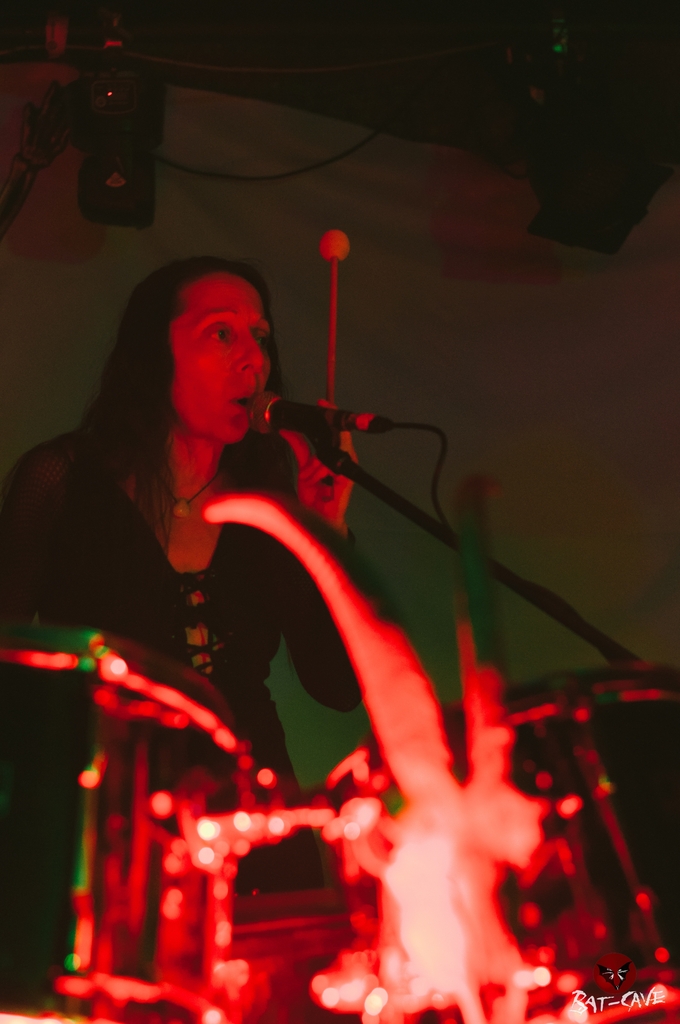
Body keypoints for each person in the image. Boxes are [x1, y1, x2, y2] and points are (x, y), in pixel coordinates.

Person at [0, 256, 362, 891]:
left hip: (259, 833)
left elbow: (337, 686)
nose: (253, 359)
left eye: (260, 336)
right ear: (153, 353)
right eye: (222, 333)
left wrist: (328, 534)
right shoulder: (62, 481)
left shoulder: (270, 500)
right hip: (106, 835)